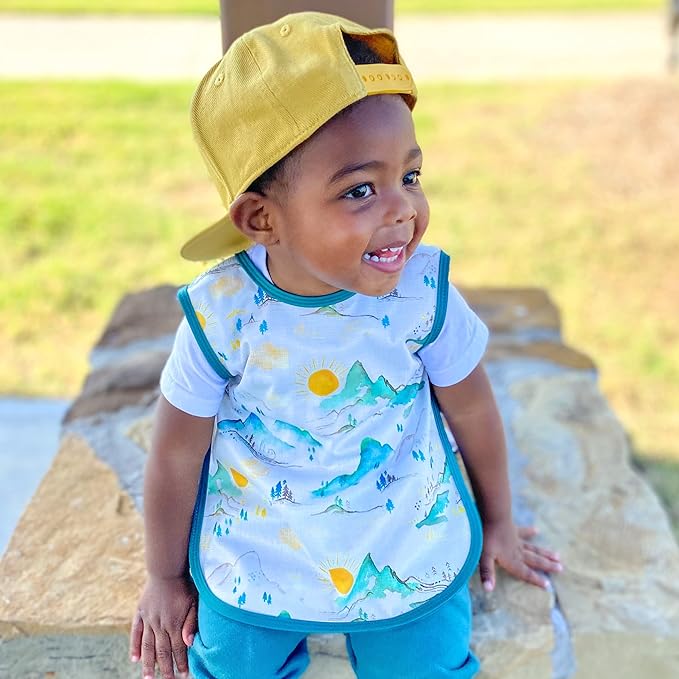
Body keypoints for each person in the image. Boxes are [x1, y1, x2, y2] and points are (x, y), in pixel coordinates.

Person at [129, 11, 562, 679]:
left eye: (410, 176)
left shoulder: (422, 294)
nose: (402, 209)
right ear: (261, 218)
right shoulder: (222, 315)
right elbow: (175, 451)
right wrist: (163, 576)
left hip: (403, 533)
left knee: (425, 665)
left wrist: (499, 520)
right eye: (360, 190)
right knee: (230, 665)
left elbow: (472, 407)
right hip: (260, 541)